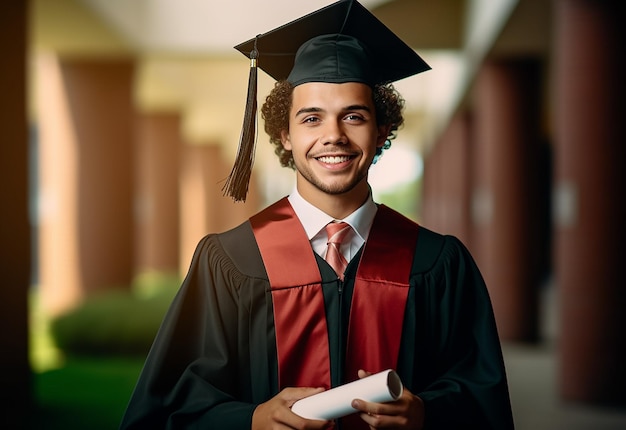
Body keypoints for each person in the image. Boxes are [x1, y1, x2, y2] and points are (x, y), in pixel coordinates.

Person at [120, 1, 514, 429]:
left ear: (381, 131)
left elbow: (483, 400)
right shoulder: (231, 261)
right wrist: (249, 420)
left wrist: (427, 414)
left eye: (354, 116)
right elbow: (168, 407)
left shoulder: (438, 264)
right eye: (312, 118)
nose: (333, 136)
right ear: (285, 134)